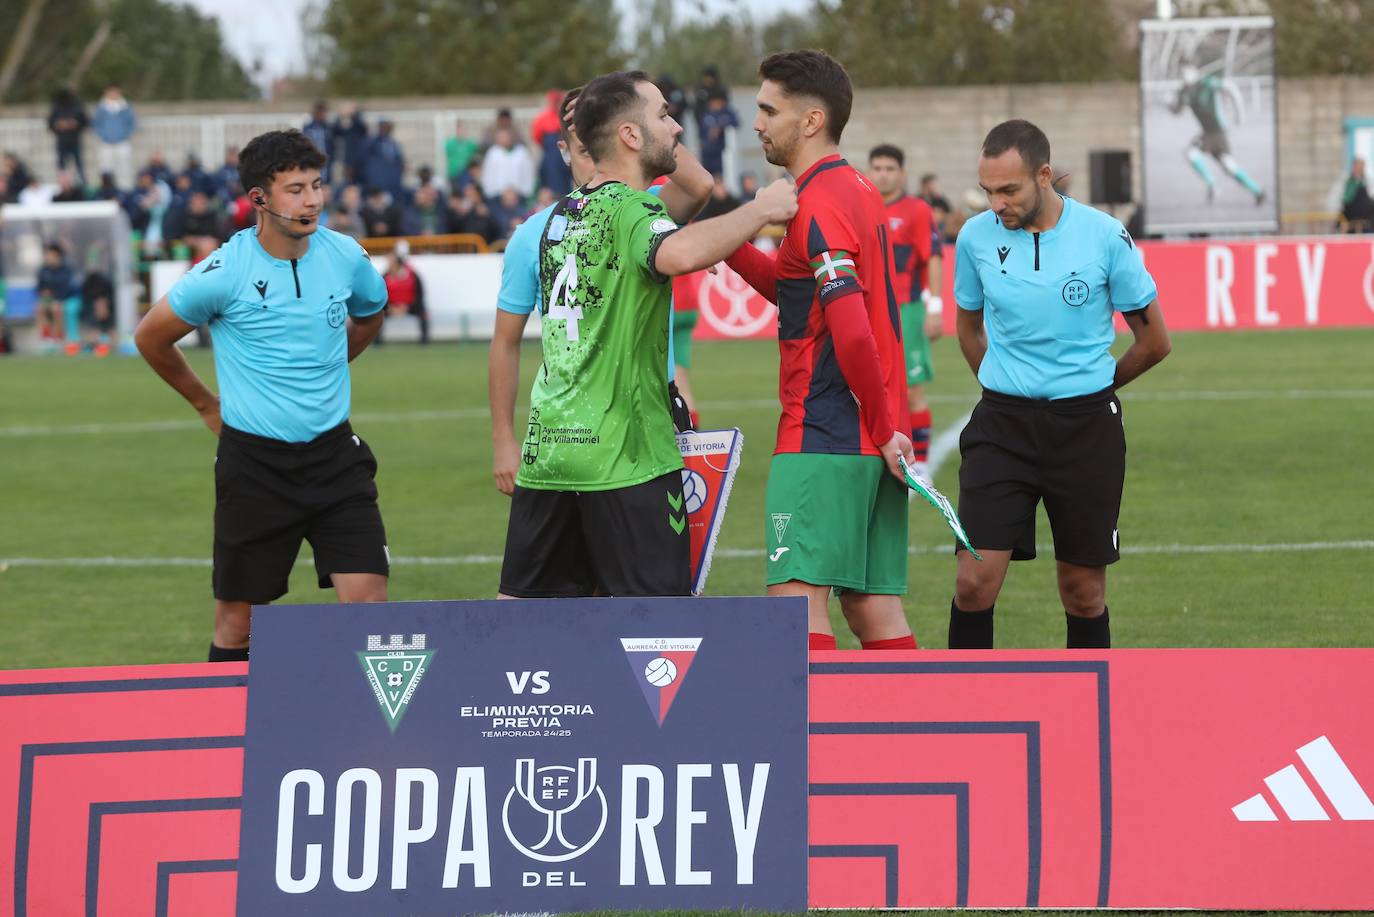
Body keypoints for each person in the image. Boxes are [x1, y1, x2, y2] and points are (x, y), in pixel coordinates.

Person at [496, 70, 796, 599]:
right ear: (630, 137)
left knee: (525, 621)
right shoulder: (634, 209)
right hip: (625, 456)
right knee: (660, 635)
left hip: (551, 452)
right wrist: (761, 209)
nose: (677, 128)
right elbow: (675, 250)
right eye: (662, 116)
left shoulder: (554, 219)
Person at [133, 129, 390, 662]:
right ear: (258, 199)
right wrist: (208, 404)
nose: (313, 199)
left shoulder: (344, 255)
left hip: (336, 460)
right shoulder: (223, 272)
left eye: (317, 185)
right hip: (254, 467)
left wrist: (326, 365)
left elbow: (369, 313)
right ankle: (225, 742)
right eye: (295, 189)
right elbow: (150, 337)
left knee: (370, 611)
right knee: (237, 625)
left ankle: (369, 742)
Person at [947, 119, 1172, 650]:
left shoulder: (1103, 235)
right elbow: (967, 326)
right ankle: (966, 714)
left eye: (1008, 190)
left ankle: (1086, 720)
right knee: (974, 582)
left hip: (1085, 429)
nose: (996, 203)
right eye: (988, 191)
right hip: (1001, 427)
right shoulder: (975, 237)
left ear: (1043, 176)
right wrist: (1002, 384)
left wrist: (1092, 386)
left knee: (1083, 592)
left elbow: (1155, 340)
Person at [723, 50, 917, 652]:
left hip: (825, 433)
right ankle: (914, 744)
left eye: (767, 109)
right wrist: (720, 231)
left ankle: (819, 749)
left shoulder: (818, 202)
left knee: (794, 611)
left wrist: (882, 428)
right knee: (873, 608)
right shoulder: (854, 187)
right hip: (871, 436)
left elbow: (851, 328)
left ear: (810, 120)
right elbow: (793, 290)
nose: (756, 122)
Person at [489, 85, 712, 496]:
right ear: (563, 151)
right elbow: (505, 342)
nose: (596, 162)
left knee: (663, 558)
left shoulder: (648, 209)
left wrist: (642, 124)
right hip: (571, 426)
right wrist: (503, 438)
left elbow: (699, 186)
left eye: (601, 143)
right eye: (584, 150)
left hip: (654, 414)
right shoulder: (533, 234)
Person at [868, 143, 943, 475]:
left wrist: (935, 307)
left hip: (907, 310)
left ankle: (922, 462)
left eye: (890, 169)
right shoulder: (862, 206)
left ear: (902, 173)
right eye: (877, 168)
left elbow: (933, 259)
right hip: (868, 311)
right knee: (873, 387)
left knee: (911, 389)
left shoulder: (917, 210)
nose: (883, 175)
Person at [1172, 60, 1264, 206]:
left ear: (1193, 70)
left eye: (1185, 73)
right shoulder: (1184, 91)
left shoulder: (1207, 83)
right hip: (1207, 133)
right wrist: (1166, 104)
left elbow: (1230, 88)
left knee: (1192, 153)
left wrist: (1240, 113)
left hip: (1217, 132)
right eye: (1181, 74)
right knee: (1229, 166)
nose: (1183, 77)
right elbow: (1177, 110)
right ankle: (1258, 192)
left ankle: (1213, 185)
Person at [381, 240, 429, 344]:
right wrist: (390, 308)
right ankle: (377, 342)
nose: (389, 264)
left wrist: (407, 307)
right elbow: (380, 296)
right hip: (391, 307)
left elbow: (420, 295)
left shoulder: (412, 275)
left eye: (391, 262)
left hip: (410, 306)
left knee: (423, 311)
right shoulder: (384, 277)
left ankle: (424, 341)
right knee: (376, 313)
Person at [92, 83, 136, 188]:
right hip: (106, 142)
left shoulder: (125, 107)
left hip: (122, 142)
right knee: (106, 167)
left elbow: (132, 123)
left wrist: (124, 135)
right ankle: (107, 189)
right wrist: (104, 136)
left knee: (124, 167)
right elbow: (96, 124)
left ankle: (125, 188)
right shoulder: (101, 107)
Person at [36, 243, 76, 352]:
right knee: (39, 308)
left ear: (57, 255)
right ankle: (46, 339)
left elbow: (66, 288)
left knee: (56, 308)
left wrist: (56, 298)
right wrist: (43, 293)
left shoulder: (65, 270)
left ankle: (58, 339)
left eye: (50, 254)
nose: (48, 257)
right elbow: (39, 287)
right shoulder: (43, 270)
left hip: (63, 299)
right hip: (47, 300)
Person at [481, 125, 535, 201]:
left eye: (507, 136)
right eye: (501, 136)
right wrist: (500, 193)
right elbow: (487, 176)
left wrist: (521, 192)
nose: (505, 139)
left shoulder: (522, 152)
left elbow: (528, 174)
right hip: (496, 196)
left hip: (519, 196)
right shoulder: (492, 153)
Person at [48, 88, 88, 185]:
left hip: (74, 140)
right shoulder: (56, 108)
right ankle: (63, 184)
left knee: (79, 164)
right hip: (62, 140)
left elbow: (85, 122)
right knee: (62, 165)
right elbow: (50, 124)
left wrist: (75, 124)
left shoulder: (77, 107)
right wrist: (58, 125)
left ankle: (83, 184)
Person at [1340, 157, 1373, 232]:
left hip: (1366, 213)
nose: (1360, 168)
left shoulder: (1366, 180)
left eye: (1362, 166)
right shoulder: (1347, 180)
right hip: (1350, 210)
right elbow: (1344, 199)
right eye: (1358, 166)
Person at [444, 120, 480, 185]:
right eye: (458, 129)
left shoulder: (470, 144)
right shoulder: (450, 143)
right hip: (454, 173)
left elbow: (475, 154)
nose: (460, 131)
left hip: (466, 174)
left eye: (462, 129)